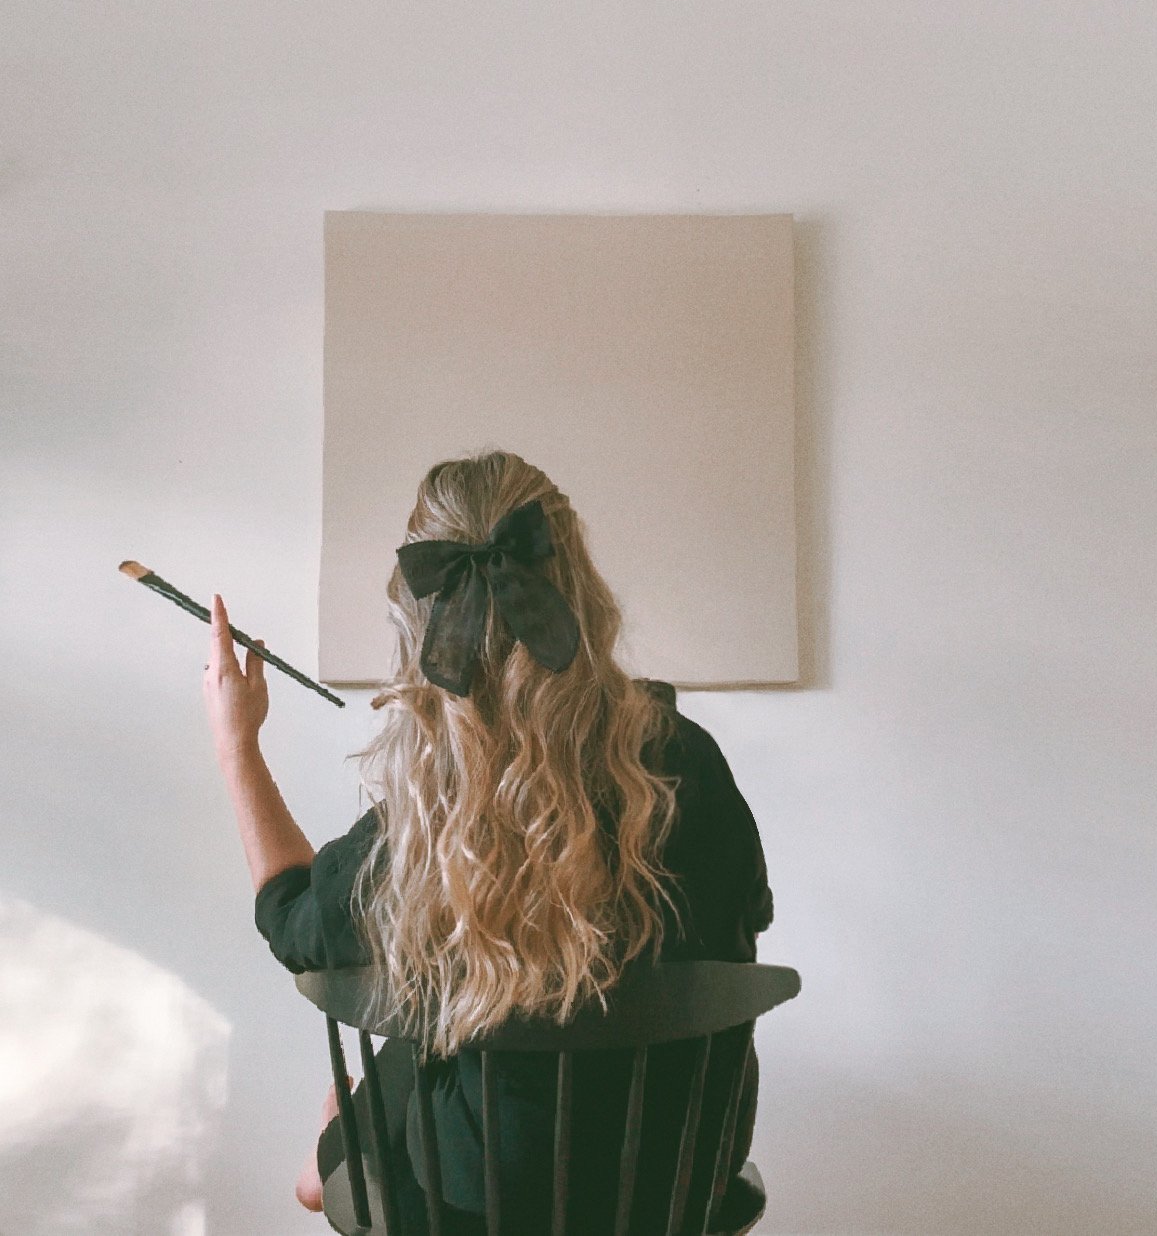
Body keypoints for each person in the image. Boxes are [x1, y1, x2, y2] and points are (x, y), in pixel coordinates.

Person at [204, 449, 774, 1232]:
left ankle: (333, 1142)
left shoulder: (430, 811)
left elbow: (293, 920)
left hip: (485, 1195)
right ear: (579, 589)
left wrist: (239, 747)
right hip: (678, 1175)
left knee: (421, 1039)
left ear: (418, 618)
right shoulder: (686, 759)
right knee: (438, 1033)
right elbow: (746, 919)